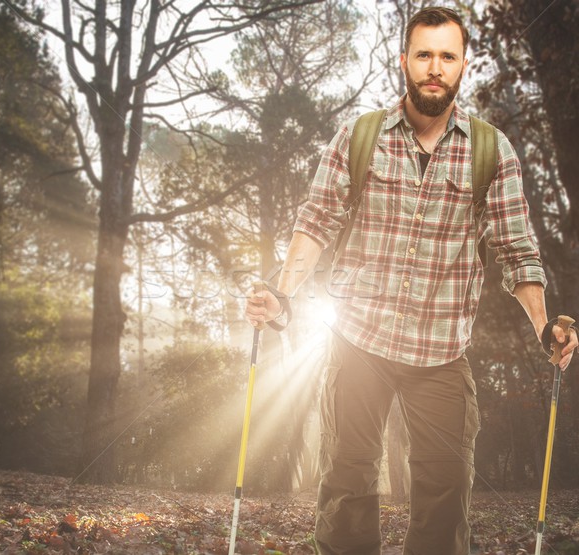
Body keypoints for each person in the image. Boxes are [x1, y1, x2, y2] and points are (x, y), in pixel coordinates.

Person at [245, 7, 577, 555]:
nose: (434, 67)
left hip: (442, 351)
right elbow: (315, 222)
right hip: (357, 342)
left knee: (446, 491)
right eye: (424, 54)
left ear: (463, 67)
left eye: (447, 56)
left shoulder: (491, 151)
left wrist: (545, 327)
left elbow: (517, 251)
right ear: (404, 61)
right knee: (347, 482)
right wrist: (282, 296)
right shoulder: (360, 136)